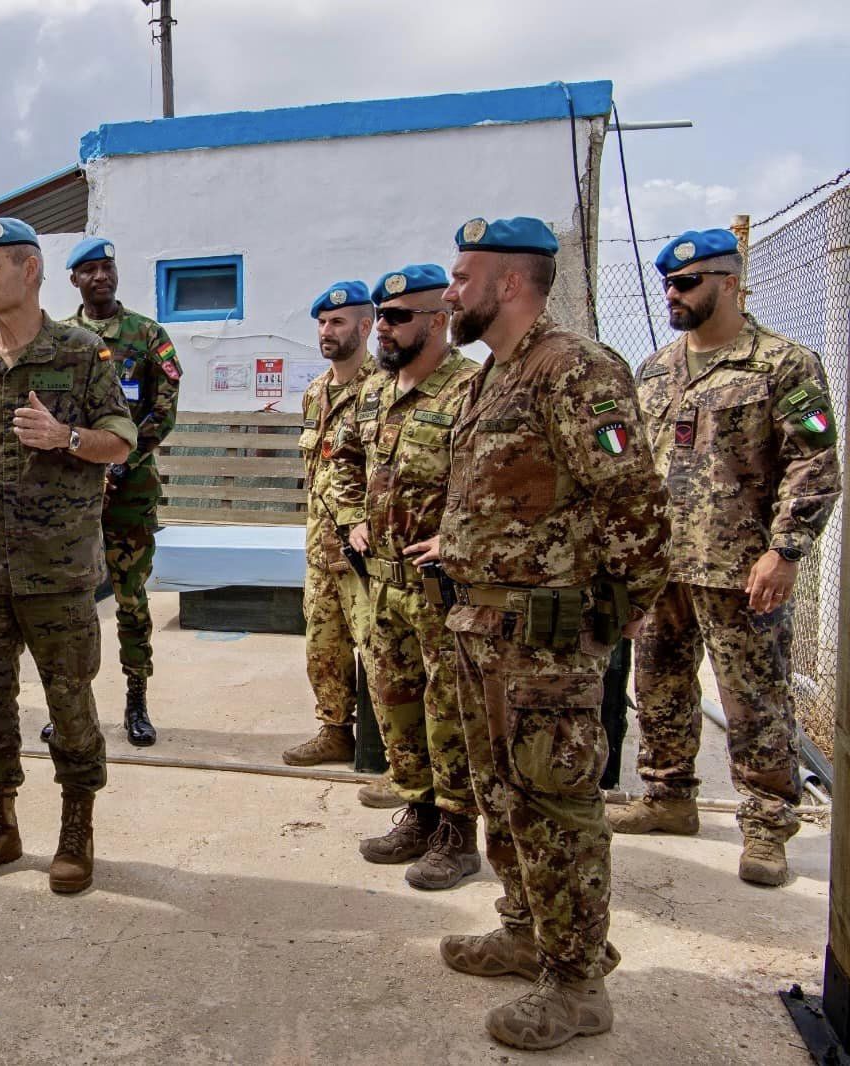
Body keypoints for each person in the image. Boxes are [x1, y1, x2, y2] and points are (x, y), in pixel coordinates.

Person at [419, 216, 670, 1050]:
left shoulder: (575, 370)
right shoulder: (497, 374)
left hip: (545, 638)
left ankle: (577, 980)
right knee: (504, 796)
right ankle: (526, 930)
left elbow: (631, 496)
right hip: (484, 625)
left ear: (510, 283)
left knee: (557, 805)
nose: (449, 292)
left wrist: (631, 598)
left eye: (462, 277)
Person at [612, 228, 840, 887]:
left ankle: (767, 826)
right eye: (668, 286)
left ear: (730, 283)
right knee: (656, 687)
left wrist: (786, 550)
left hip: (744, 570)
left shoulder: (784, 365)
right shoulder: (654, 368)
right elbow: (630, 461)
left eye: (687, 283)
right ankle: (667, 798)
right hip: (663, 569)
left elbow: (815, 462)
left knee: (755, 701)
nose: (673, 296)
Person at [0, 218, 136, 894]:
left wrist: (66, 436)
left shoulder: (83, 353)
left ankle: (77, 826)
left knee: (69, 702)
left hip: (58, 571)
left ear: (30, 271)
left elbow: (122, 441)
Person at [330, 265, 481, 890]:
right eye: (381, 317)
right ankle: (417, 814)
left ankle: (458, 834)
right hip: (382, 583)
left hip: (442, 589)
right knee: (395, 707)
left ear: (439, 321)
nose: (384, 328)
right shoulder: (375, 393)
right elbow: (344, 460)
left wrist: (457, 536)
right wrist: (351, 520)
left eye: (397, 318)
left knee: (451, 712)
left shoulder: (472, 390)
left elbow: (497, 482)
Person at [42, 236, 181, 745]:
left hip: (130, 489)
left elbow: (164, 407)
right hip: (73, 493)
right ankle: (69, 705)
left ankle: (136, 699)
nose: (101, 276)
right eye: (89, 270)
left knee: (130, 599)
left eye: (107, 267)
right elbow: (53, 412)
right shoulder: (59, 338)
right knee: (68, 601)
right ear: (74, 280)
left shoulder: (147, 334)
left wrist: (126, 458)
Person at [285, 280, 375, 770]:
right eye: (322, 322)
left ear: (365, 326)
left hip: (363, 552)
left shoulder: (382, 390)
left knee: (379, 654)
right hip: (320, 549)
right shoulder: (316, 392)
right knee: (323, 647)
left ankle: (386, 751)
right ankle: (335, 730)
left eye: (337, 322)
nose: (326, 331)